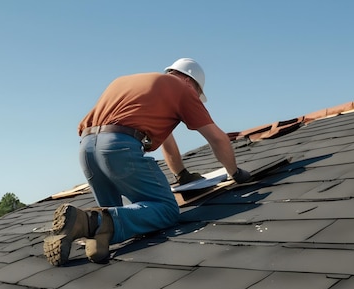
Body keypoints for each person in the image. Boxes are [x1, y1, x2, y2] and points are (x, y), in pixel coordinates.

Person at [43, 58, 251, 266]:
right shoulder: (183, 89)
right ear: (191, 82)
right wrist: (234, 172)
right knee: (166, 210)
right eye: (197, 94)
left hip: (87, 149)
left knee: (113, 216)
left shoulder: (135, 85)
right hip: (118, 148)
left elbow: (167, 141)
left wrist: (181, 175)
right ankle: (87, 221)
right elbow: (217, 138)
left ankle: (91, 237)